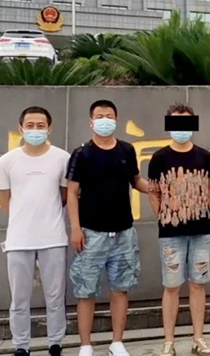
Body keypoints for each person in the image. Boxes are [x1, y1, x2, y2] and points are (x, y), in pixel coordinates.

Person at [67, 100, 148, 356]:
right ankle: (85, 345)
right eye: (100, 116)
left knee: (120, 288)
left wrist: (160, 189)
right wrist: (75, 228)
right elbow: (72, 193)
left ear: (116, 119)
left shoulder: (127, 149)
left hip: (124, 232)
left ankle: (117, 342)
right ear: (91, 121)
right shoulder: (82, 154)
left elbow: (136, 181)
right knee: (85, 290)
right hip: (91, 233)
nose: (105, 120)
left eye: (109, 116)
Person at [0, 107, 70, 356]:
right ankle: (21, 346)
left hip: (53, 238)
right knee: (19, 299)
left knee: (55, 296)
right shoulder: (7, 161)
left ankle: (55, 343)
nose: (35, 130)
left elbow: (64, 196)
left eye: (40, 126)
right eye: (30, 125)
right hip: (19, 240)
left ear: (49, 128)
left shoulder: (62, 158)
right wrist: (23, 219)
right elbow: (4, 199)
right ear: (21, 128)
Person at [147, 103, 210, 356]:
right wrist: (168, 215)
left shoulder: (205, 156)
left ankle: (198, 338)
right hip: (170, 233)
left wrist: (194, 209)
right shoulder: (159, 158)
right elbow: (153, 192)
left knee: (198, 283)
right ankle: (169, 341)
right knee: (171, 285)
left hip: (201, 230)